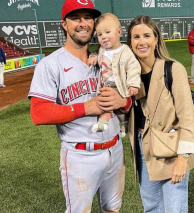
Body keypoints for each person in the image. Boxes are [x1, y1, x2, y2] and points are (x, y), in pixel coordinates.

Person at [28, 0, 131, 212]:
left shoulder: (106, 57)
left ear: (94, 23)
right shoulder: (50, 64)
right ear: (64, 25)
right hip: (80, 155)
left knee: (113, 208)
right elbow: (38, 113)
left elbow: (129, 95)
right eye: (75, 18)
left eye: (87, 18)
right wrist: (86, 107)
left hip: (115, 149)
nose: (82, 23)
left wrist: (124, 102)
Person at [127, 15, 194, 213]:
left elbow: (188, 120)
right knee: (151, 208)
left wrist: (182, 158)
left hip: (171, 150)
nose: (142, 42)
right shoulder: (128, 76)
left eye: (147, 35)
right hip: (143, 149)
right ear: (130, 42)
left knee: (174, 209)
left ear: (156, 39)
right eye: (136, 37)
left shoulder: (173, 69)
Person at [88, 13, 141, 136]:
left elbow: (134, 67)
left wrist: (133, 84)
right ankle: (112, 123)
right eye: (100, 34)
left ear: (119, 32)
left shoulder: (125, 51)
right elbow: (95, 53)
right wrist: (93, 57)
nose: (103, 37)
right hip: (106, 84)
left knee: (119, 108)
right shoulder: (102, 50)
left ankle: (116, 124)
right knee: (109, 105)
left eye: (107, 32)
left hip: (120, 85)